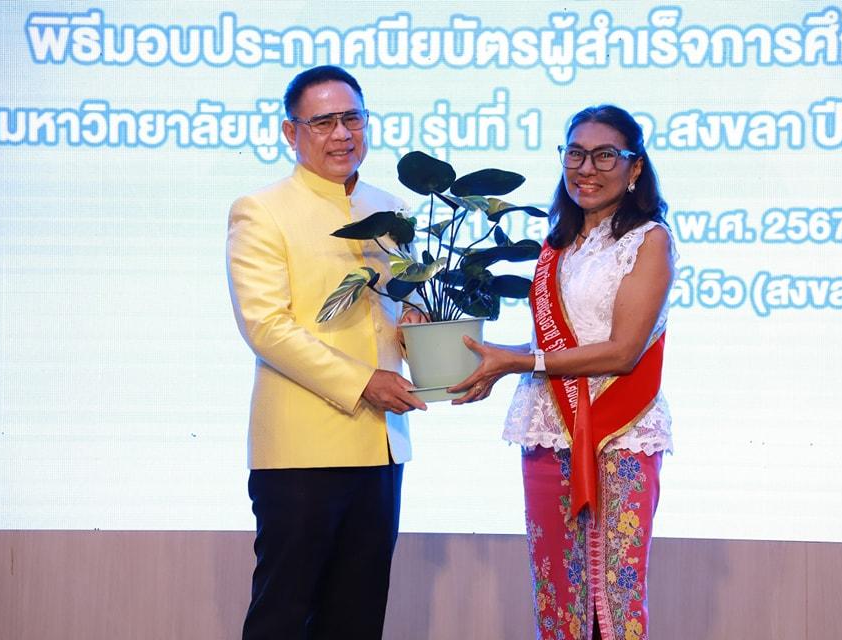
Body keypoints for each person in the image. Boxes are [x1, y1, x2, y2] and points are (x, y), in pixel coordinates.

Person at [449, 105, 676, 640]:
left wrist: (521, 362)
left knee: (613, 599)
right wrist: (495, 359)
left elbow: (622, 352)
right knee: (557, 594)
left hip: (619, 433)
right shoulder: (557, 246)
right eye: (575, 153)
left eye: (604, 155)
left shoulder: (649, 240)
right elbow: (552, 345)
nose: (586, 168)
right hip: (549, 427)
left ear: (634, 167)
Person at [226, 65, 427, 640]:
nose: (341, 134)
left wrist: (420, 325)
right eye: (323, 122)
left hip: (381, 445)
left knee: (357, 618)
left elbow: (403, 306)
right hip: (301, 450)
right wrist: (363, 381)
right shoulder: (262, 209)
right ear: (291, 132)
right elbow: (266, 326)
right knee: (284, 616)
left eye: (352, 119)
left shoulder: (391, 210)